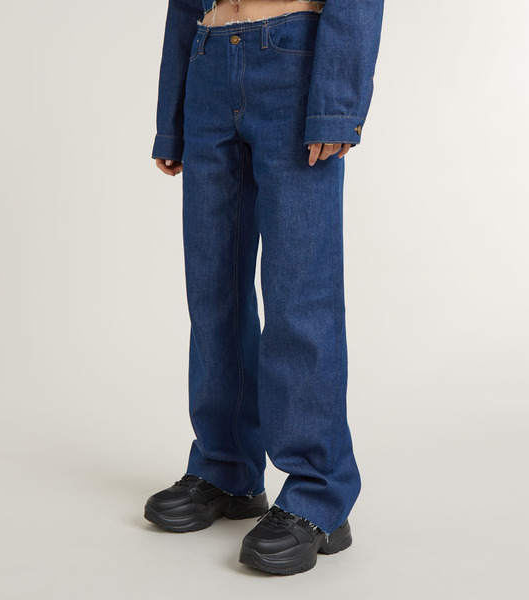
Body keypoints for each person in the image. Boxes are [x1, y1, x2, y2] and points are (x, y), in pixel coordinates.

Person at [145, 0, 384, 575]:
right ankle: (225, 467)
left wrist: (336, 103)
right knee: (213, 293)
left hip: (293, 62)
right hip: (208, 58)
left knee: (299, 293)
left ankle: (319, 493)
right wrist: (172, 115)